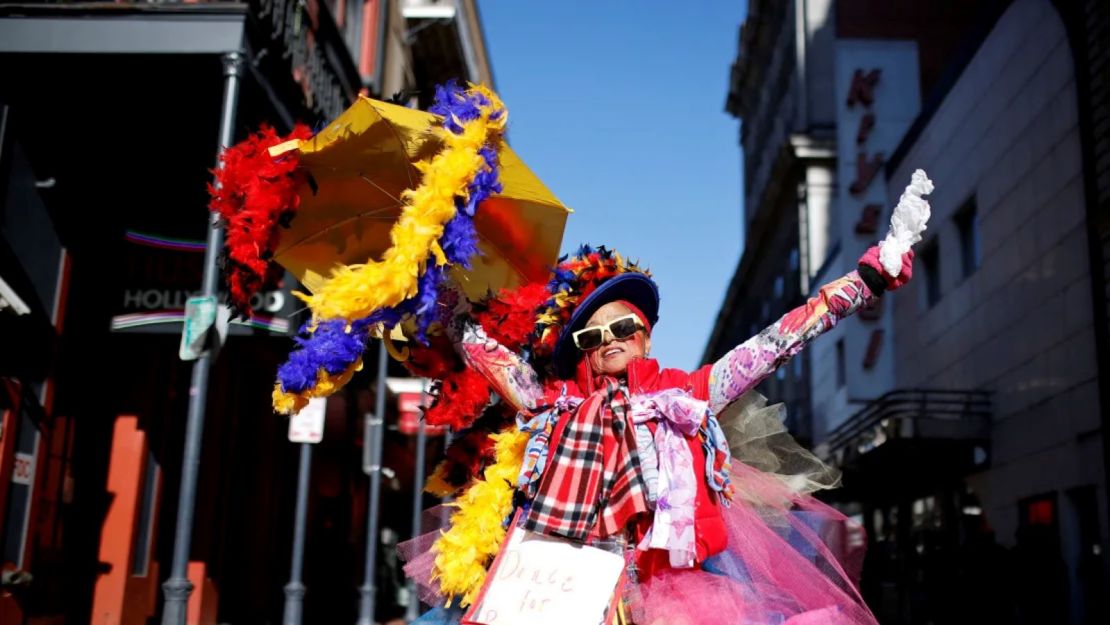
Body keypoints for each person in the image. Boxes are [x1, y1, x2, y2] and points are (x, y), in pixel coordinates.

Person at [404, 241, 913, 625]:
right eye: (592, 336)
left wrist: (860, 283)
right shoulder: (554, 403)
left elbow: (776, 343)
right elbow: (492, 360)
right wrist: (438, 296)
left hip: (667, 593)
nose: (609, 342)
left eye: (623, 327)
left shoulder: (685, 393)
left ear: (646, 334)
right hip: (564, 587)